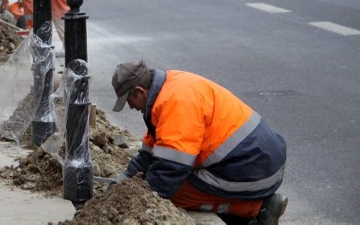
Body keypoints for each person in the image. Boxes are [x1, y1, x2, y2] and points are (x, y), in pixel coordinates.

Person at [110, 60, 288, 225]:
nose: (131, 107)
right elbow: (148, 156)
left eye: (129, 101)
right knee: (163, 181)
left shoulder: (175, 102)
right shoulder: (167, 88)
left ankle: (259, 208)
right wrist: (120, 184)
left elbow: (170, 170)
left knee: (174, 193)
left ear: (140, 91)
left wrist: (141, 198)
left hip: (255, 167)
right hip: (257, 158)